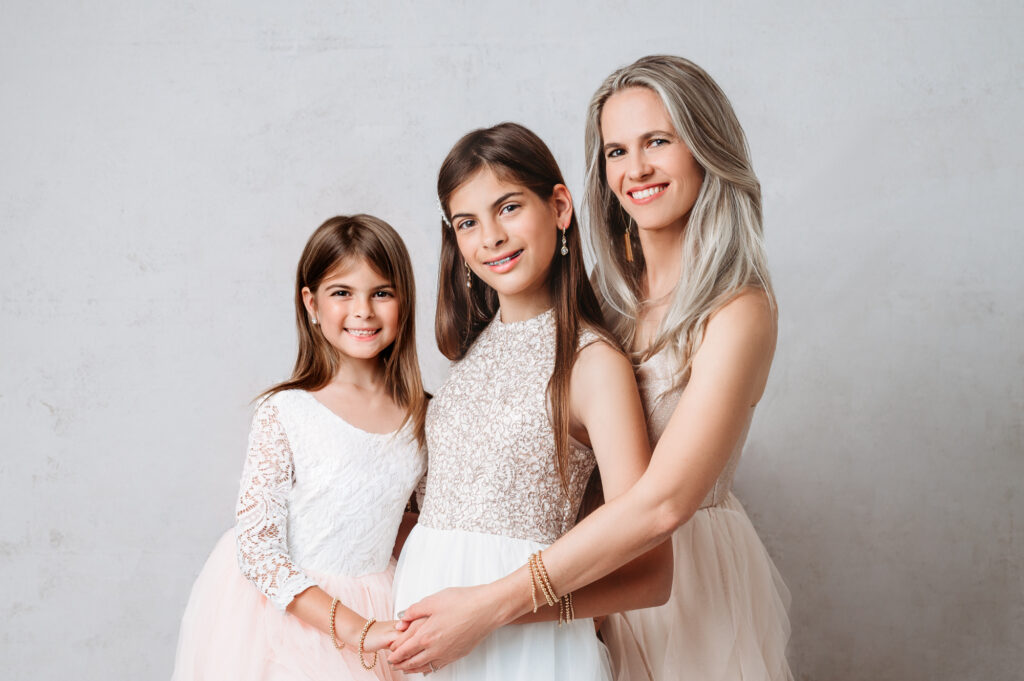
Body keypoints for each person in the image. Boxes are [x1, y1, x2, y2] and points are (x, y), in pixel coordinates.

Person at [389, 56, 793, 681]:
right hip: (583, 579)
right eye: (616, 151)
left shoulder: (739, 310)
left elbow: (660, 507)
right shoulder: (606, 295)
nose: (636, 170)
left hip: (683, 581)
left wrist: (491, 603)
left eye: (658, 141)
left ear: (705, 147)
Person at [388, 122, 673, 679]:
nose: (489, 236)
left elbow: (651, 575)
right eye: (467, 222)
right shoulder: (469, 357)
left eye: (509, 207)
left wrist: (487, 615)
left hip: (522, 652)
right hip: (431, 643)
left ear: (560, 207)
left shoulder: (592, 364)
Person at [172, 215, 427, 681]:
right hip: (285, 615)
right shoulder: (287, 411)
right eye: (342, 292)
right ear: (310, 302)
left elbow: (431, 525)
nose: (363, 311)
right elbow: (258, 549)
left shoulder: (422, 415)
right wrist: (357, 629)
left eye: (382, 293)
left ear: (404, 301)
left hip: (383, 600)